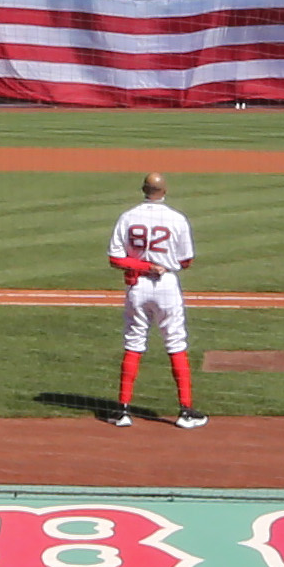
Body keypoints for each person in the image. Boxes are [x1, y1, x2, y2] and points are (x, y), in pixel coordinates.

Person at [108, 170, 202, 428]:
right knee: (175, 342)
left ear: (143, 190)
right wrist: (157, 265)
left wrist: (143, 265)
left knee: (134, 341)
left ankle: (123, 410)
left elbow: (115, 258)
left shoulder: (128, 216)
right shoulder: (176, 218)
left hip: (137, 285)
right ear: (165, 190)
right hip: (167, 286)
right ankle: (185, 411)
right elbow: (186, 260)